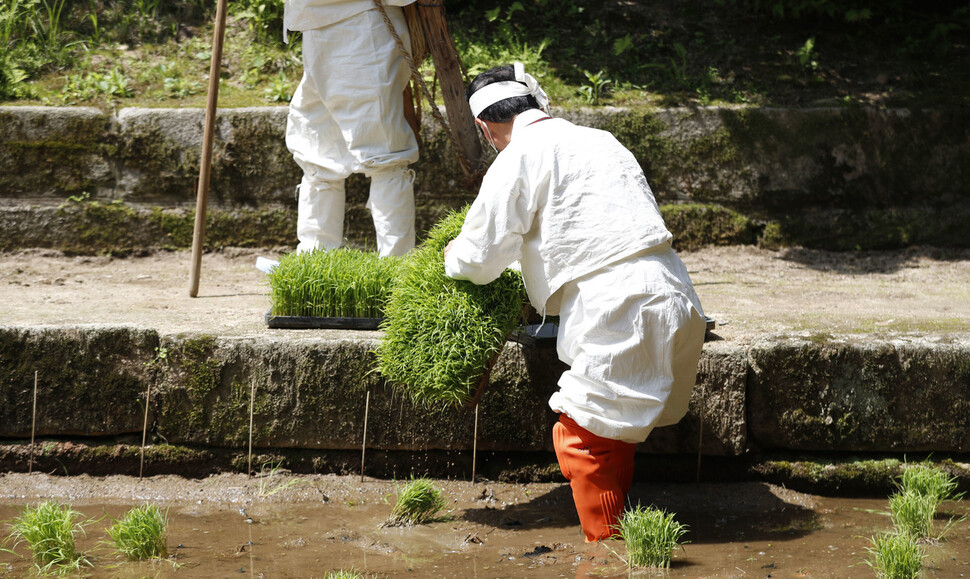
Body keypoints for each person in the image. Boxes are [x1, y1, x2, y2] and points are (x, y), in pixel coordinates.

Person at [443, 63, 707, 542]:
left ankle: (607, 555)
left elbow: (479, 259)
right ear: (537, 103)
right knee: (611, 429)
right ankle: (629, 537)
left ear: (484, 127)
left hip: (616, 305)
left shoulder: (517, 156)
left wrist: (449, 257)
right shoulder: (603, 140)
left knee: (581, 440)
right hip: (674, 293)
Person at [284, 0, 420, 257]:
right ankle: (315, 260)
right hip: (316, 25)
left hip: (363, 26)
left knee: (383, 152)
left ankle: (396, 267)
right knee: (317, 147)